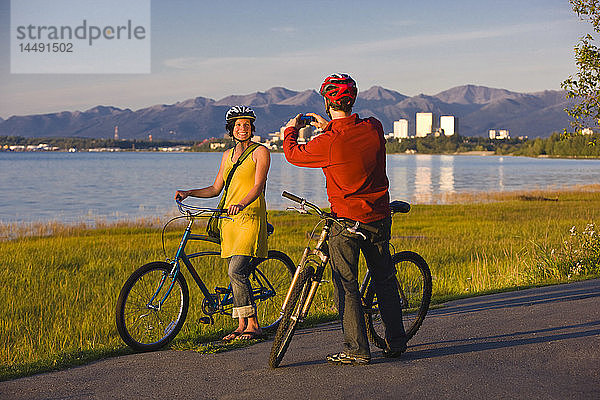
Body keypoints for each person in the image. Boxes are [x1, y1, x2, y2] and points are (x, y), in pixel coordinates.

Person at [282, 73, 407, 365]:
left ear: (327, 102)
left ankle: (357, 350)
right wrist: (329, 127)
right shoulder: (373, 127)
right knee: (385, 280)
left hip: (346, 222)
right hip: (378, 217)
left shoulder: (327, 142)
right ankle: (396, 341)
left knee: (346, 285)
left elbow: (293, 154)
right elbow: (349, 139)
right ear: (353, 101)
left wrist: (291, 130)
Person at [175, 105, 270, 341]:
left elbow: (258, 187)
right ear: (231, 129)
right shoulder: (226, 156)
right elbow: (216, 189)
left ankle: (253, 326)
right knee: (236, 275)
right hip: (228, 220)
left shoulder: (261, 152)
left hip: (250, 216)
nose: (242, 128)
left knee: (235, 270)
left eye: (246, 124)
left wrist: (242, 203)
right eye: (238, 125)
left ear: (252, 128)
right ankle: (242, 325)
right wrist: (189, 192)